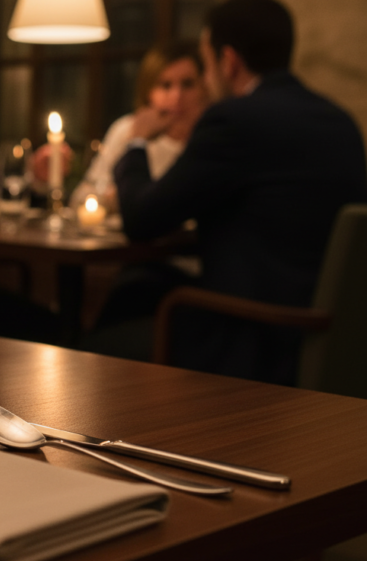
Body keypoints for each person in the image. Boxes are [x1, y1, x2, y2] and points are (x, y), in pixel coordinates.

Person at [113, 0, 367, 385]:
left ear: (228, 62)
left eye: (205, 64)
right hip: (329, 337)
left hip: (250, 342)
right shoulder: (341, 123)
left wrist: (134, 145)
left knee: (93, 340)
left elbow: (141, 219)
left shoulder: (233, 120)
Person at [71, 42, 207, 206]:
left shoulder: (211, 137)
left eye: (187, 84)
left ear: (204, 88)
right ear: (148, 92)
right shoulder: (127, 131)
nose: (177, 96)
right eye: (165, 85)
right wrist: (113, 198)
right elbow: (81, 197)